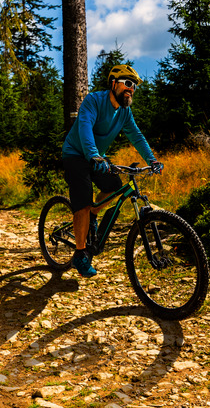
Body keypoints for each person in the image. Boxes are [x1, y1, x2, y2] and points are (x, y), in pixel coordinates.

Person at [62, 65, 164, 278]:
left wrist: (152, 159)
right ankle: (80, 253)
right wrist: (93, 155)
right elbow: (85, 128)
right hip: (76, 154)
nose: (131, 89)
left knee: (114, 187)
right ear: (113, 83)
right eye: (127, 83)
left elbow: (136, 136)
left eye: (134, 86)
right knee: (82, 201)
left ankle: (93, 214)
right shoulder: (94, 101)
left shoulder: (125, 112)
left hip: (96, 156)